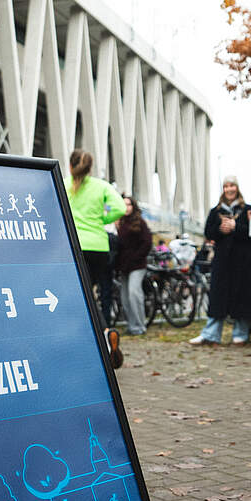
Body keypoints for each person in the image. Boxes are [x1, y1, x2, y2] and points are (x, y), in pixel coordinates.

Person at [66, 149, 126, 369]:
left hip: (74, 246)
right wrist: (102, 219)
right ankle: (95, 337)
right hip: (99, 247)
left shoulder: (64, 184)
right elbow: (120, 208)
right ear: (90, 168)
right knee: (90, 294)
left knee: (81, 297)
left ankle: (102, 334)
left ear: (70, 166)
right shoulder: (101, 186)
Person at [191, 176, 251, 346]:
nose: (229, 189)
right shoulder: (216, 211)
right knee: (217, 297)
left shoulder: (248, 210)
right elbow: (208, 232)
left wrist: (236, 227)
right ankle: (211, 334)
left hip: (242, 262)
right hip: (222, 261)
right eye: (226, 186)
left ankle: (241, 333)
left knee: (242, 297)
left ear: (237, 188)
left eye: (232, 185)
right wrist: (220, 229)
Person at [114, 196, 152, 337]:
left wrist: (137, 257)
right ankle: (131, 325)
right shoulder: (119, 223)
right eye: (123, 204)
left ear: (133, 206)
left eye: (129, 204)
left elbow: (147, 243)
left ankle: (140, 326)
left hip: (137, 265)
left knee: (134, 294)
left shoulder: (140, 223)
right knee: (125, 297)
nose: (126, 207)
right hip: (124, 266)